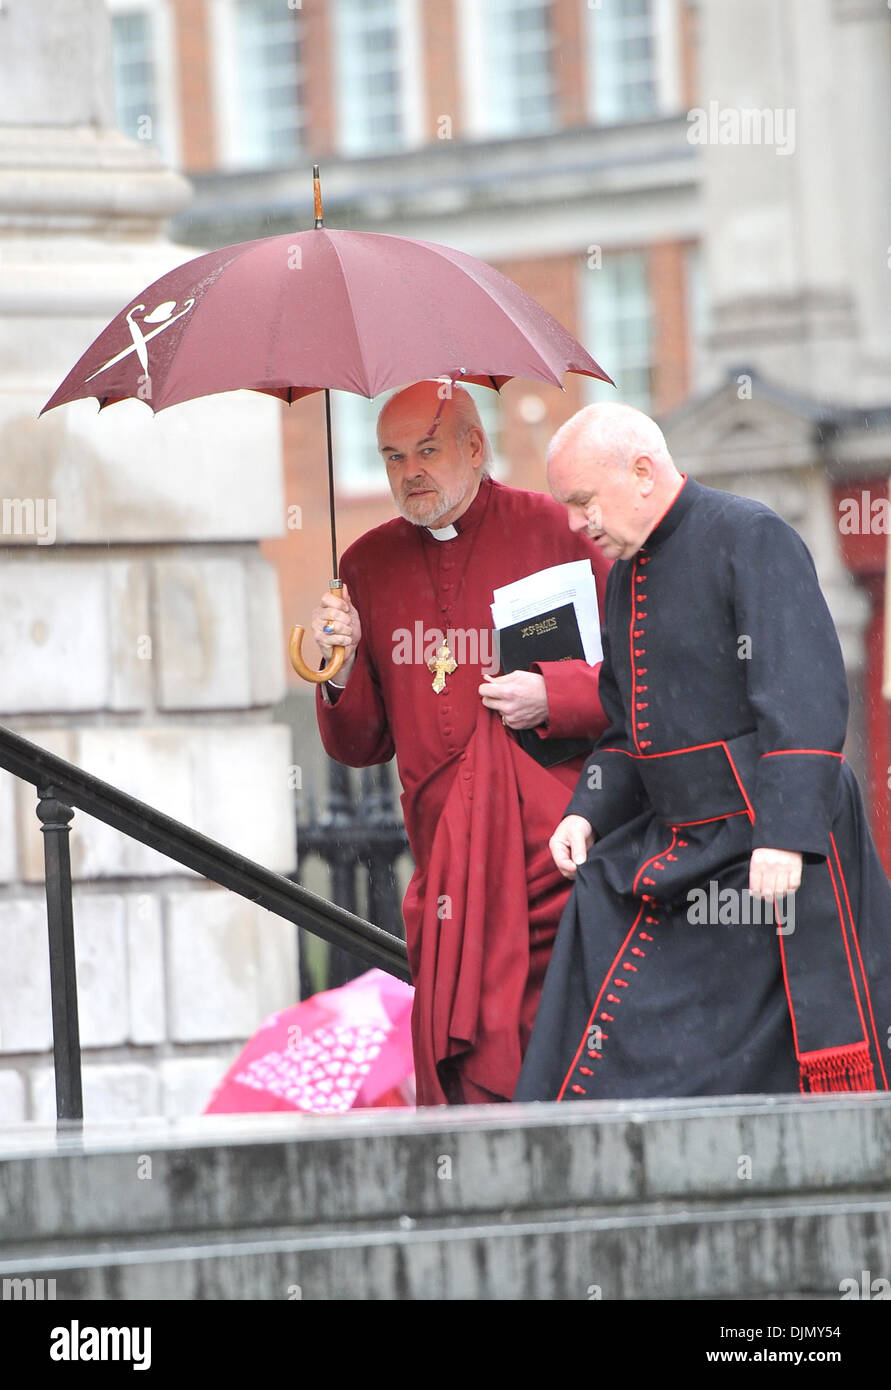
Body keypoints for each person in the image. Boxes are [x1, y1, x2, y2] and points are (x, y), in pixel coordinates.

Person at [515, 401, 891, 1102]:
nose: (575, 522)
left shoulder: (751, 536)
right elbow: (626, 730)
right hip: (680, 840)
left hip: (764, 839)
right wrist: (586, 814)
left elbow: (802, 695)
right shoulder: (626, 573)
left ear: (642, 472)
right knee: (598, 912)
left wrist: (784, 835)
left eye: (583, 501)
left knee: (758, 1059)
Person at [312, 380, 611, 1105]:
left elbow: (640, 683)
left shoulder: (558, 533)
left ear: (474, 447)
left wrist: (554, 695)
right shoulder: (363, 566)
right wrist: (340, 665)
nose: (408, 472)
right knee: (467, 1069)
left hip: (554, 857)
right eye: (390, 456)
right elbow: (360, 746)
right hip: (444, 862)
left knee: (563, 1061)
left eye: (425, 450)